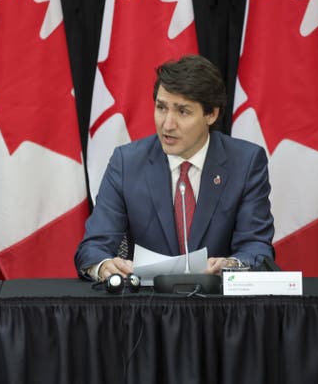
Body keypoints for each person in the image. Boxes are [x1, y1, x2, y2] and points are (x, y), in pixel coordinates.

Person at [75, 55, 274, 282]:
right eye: (161, 108)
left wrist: (232, 266)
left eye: (183, 112)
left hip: (218, 307)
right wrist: (104, 267)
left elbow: (256, 247)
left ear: (211, 114)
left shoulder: (246, 162)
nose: (167, 124)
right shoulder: (127, 162)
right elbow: (93, 247)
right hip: (144, 308)